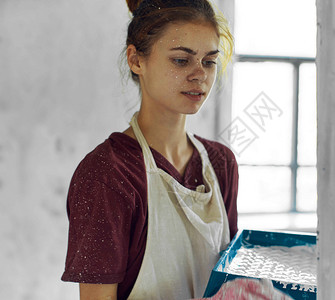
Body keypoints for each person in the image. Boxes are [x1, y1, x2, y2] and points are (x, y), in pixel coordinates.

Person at [61, 0, 239, 299]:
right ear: (136, 60)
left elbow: (229, 282)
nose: (200, 75)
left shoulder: (221, 164)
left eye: (209, 61)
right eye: (182, 60)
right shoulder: (107, 174)